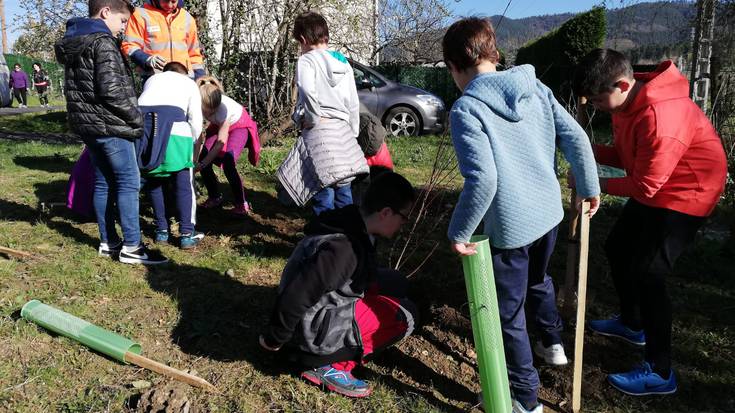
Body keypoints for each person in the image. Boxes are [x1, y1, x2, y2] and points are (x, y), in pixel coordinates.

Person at [442, 18, 601, 413]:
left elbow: (483, 180)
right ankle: (553, 343)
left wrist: (459, 231)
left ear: (454, 66)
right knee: (539, 279)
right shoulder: (535, 87)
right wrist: (589, 186)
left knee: (507, 314)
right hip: (548, 213)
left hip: (510, 227)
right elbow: (577, 137)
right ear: (493, 54)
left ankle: (525, 398)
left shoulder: (467, 109)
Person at [572, 49, 727, 396]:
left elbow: (644, 185)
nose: (595, 106)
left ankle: (660, 371)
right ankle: (632, 323)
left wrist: (591, 185)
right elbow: (630, 158)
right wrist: (584, 148)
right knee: (617, 247)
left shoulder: (660, 116)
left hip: (688, 191)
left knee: (649, 273)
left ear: (622, 84)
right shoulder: (627, 102)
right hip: (658, 183)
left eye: (597, 100)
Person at [259, 172, 418, 398]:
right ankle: (328, 364)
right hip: (311, 332)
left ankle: (341, 338)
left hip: (325, 306)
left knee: (398, 283)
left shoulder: (355, 222)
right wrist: (274, 339)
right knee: (407, 317)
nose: (404, 224)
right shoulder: (343, 250)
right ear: (385, 213)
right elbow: (298, 294)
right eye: (404, 218)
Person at [55, 0, 168, 265]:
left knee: (104, 181)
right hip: (110, 124)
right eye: (122, 21)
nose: (123, 28)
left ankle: (109, 241)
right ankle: (132, 246)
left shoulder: (77, 40)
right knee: (128, 182)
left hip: (88, 125)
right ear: (105, 12)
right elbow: (111, 90)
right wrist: (136, 117)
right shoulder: (102, 42)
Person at [276, 11, 368, 215]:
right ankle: (347, 236)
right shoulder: (343, 62)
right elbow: (353, 100)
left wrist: (311, 118)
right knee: (343, 183)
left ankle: (325, 237)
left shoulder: (307, 60)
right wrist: (352, 130)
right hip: (342, 130)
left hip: (320, 130)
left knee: (321, 184)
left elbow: (308, 91)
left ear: (302, 39)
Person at [137, 61, 204, 248]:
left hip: (146, 130)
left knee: (154, 180)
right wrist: (193, 148)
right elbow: (196, 121)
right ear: (184, 74)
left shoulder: (151, 79)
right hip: (175, 129)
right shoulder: (189, 83)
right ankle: (186, 234)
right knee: (184, 183)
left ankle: (161, 231)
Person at [195, 76, 260, 215]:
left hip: (238, 125)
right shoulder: (196, 104)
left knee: (228, 162)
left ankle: (241, 203)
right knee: (203, 158)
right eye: (208, 111)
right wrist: (196, 161)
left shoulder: (224, 110)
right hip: (218, 125)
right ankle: (214, 197)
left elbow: (220, 143)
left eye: (213, 111)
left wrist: (204, 163)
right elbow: (198, 136)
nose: (210, 114)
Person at [121, 0, 205, 80]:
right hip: (155, 79)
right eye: (165, 1)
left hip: (185, 78)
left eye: (173, 1)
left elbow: (194, 54)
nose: (169, 5)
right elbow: (129, 46)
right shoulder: (140, 15)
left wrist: (200, 79)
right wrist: (147, 59)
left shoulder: (187, 18)